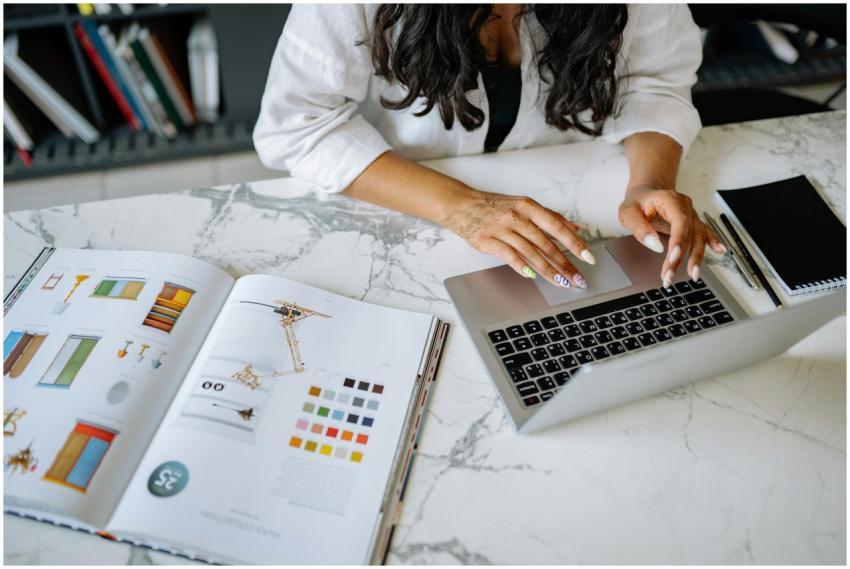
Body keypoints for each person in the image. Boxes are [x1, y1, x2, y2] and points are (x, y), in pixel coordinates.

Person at [254, 4, 726, 290]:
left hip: (572, 185)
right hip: (404, 212)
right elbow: (299, 127)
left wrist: (649, 179)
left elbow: (654, 81)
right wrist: (461, 208)